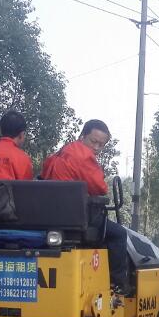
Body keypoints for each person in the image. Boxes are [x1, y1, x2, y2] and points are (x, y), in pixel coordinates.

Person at [41, 119, 130, 293]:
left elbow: (44, 175)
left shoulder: (59, 153)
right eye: (93, 141)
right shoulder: (84, 156)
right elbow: (100, 187)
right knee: (119, 234)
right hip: (76, 218)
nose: (96, 147)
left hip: (51, 216)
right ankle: (117, 283)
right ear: (83, 136)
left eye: (101, 144)